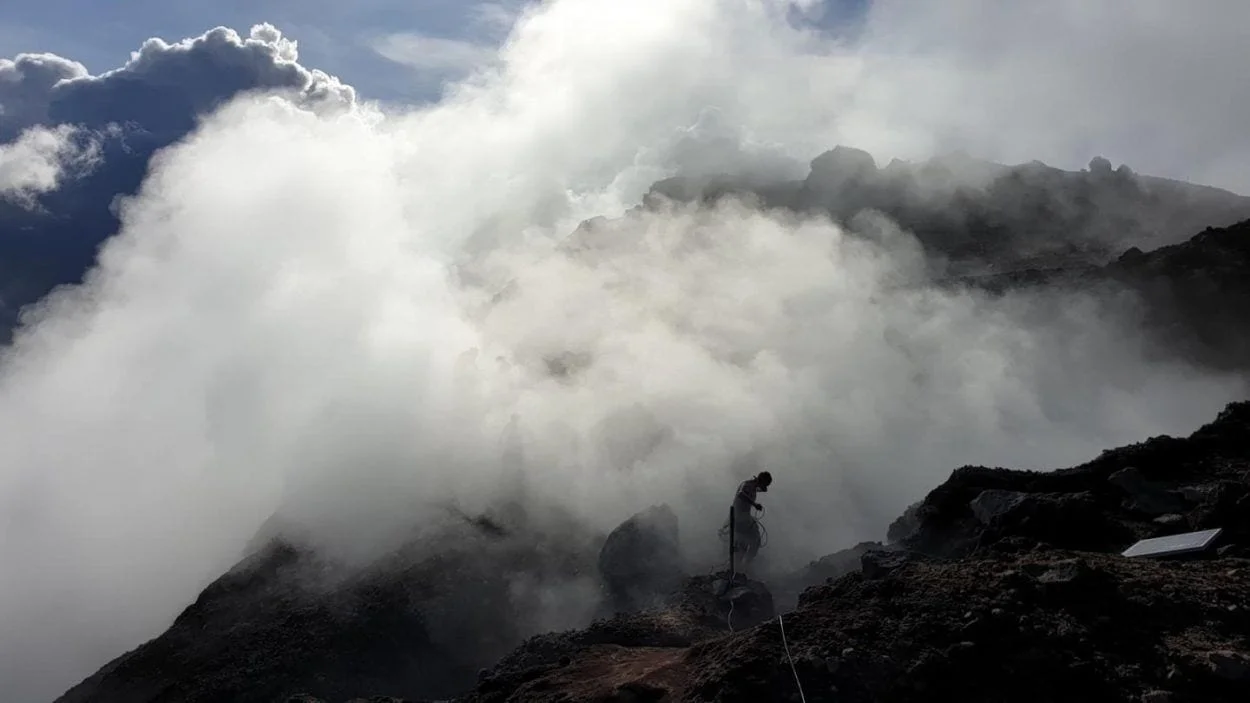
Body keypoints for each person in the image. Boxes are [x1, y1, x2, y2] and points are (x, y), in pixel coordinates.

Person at [728, 471, 772, 570]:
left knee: (747, 542)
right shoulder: (747, 485)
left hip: (744, 517)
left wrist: (763, 487)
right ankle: (743, 566)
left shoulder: (753, 487)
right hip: (740, 517)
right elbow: (741, 494)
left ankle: (741, 566)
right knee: (754, 541)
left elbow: (761, 489)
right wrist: (754, 504)